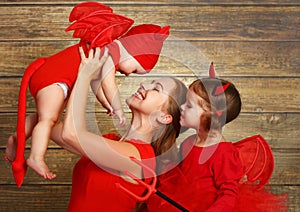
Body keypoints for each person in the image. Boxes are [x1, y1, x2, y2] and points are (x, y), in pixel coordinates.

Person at [5, 8, 170, 183]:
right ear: (134, 53)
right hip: (55, 78)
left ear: (165, 117)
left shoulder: (104, 53)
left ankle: (17, 138)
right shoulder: (110, 53)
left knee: (46, 119)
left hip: (55, 77)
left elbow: (97, 83)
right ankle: (36, 157)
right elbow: (107, 84)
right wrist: (118, 109)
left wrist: (106, 103)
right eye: (136, 70)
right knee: (47, 119)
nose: (129, 75)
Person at [47, 46, 187, 211]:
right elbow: (52, 125)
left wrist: (85, 76)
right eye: (150, 82)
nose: (144, 84)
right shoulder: (111, 141)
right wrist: (64, 85)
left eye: (156, 88)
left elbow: (71, 134)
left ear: (165, 117)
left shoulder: (141, 158)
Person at [146, 63, 288, 212]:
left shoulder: (223, 153)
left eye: (189, 105)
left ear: (210, 115)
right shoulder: (189, 142)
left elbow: (229, 194)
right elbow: (182, 177)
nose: (181, 107)